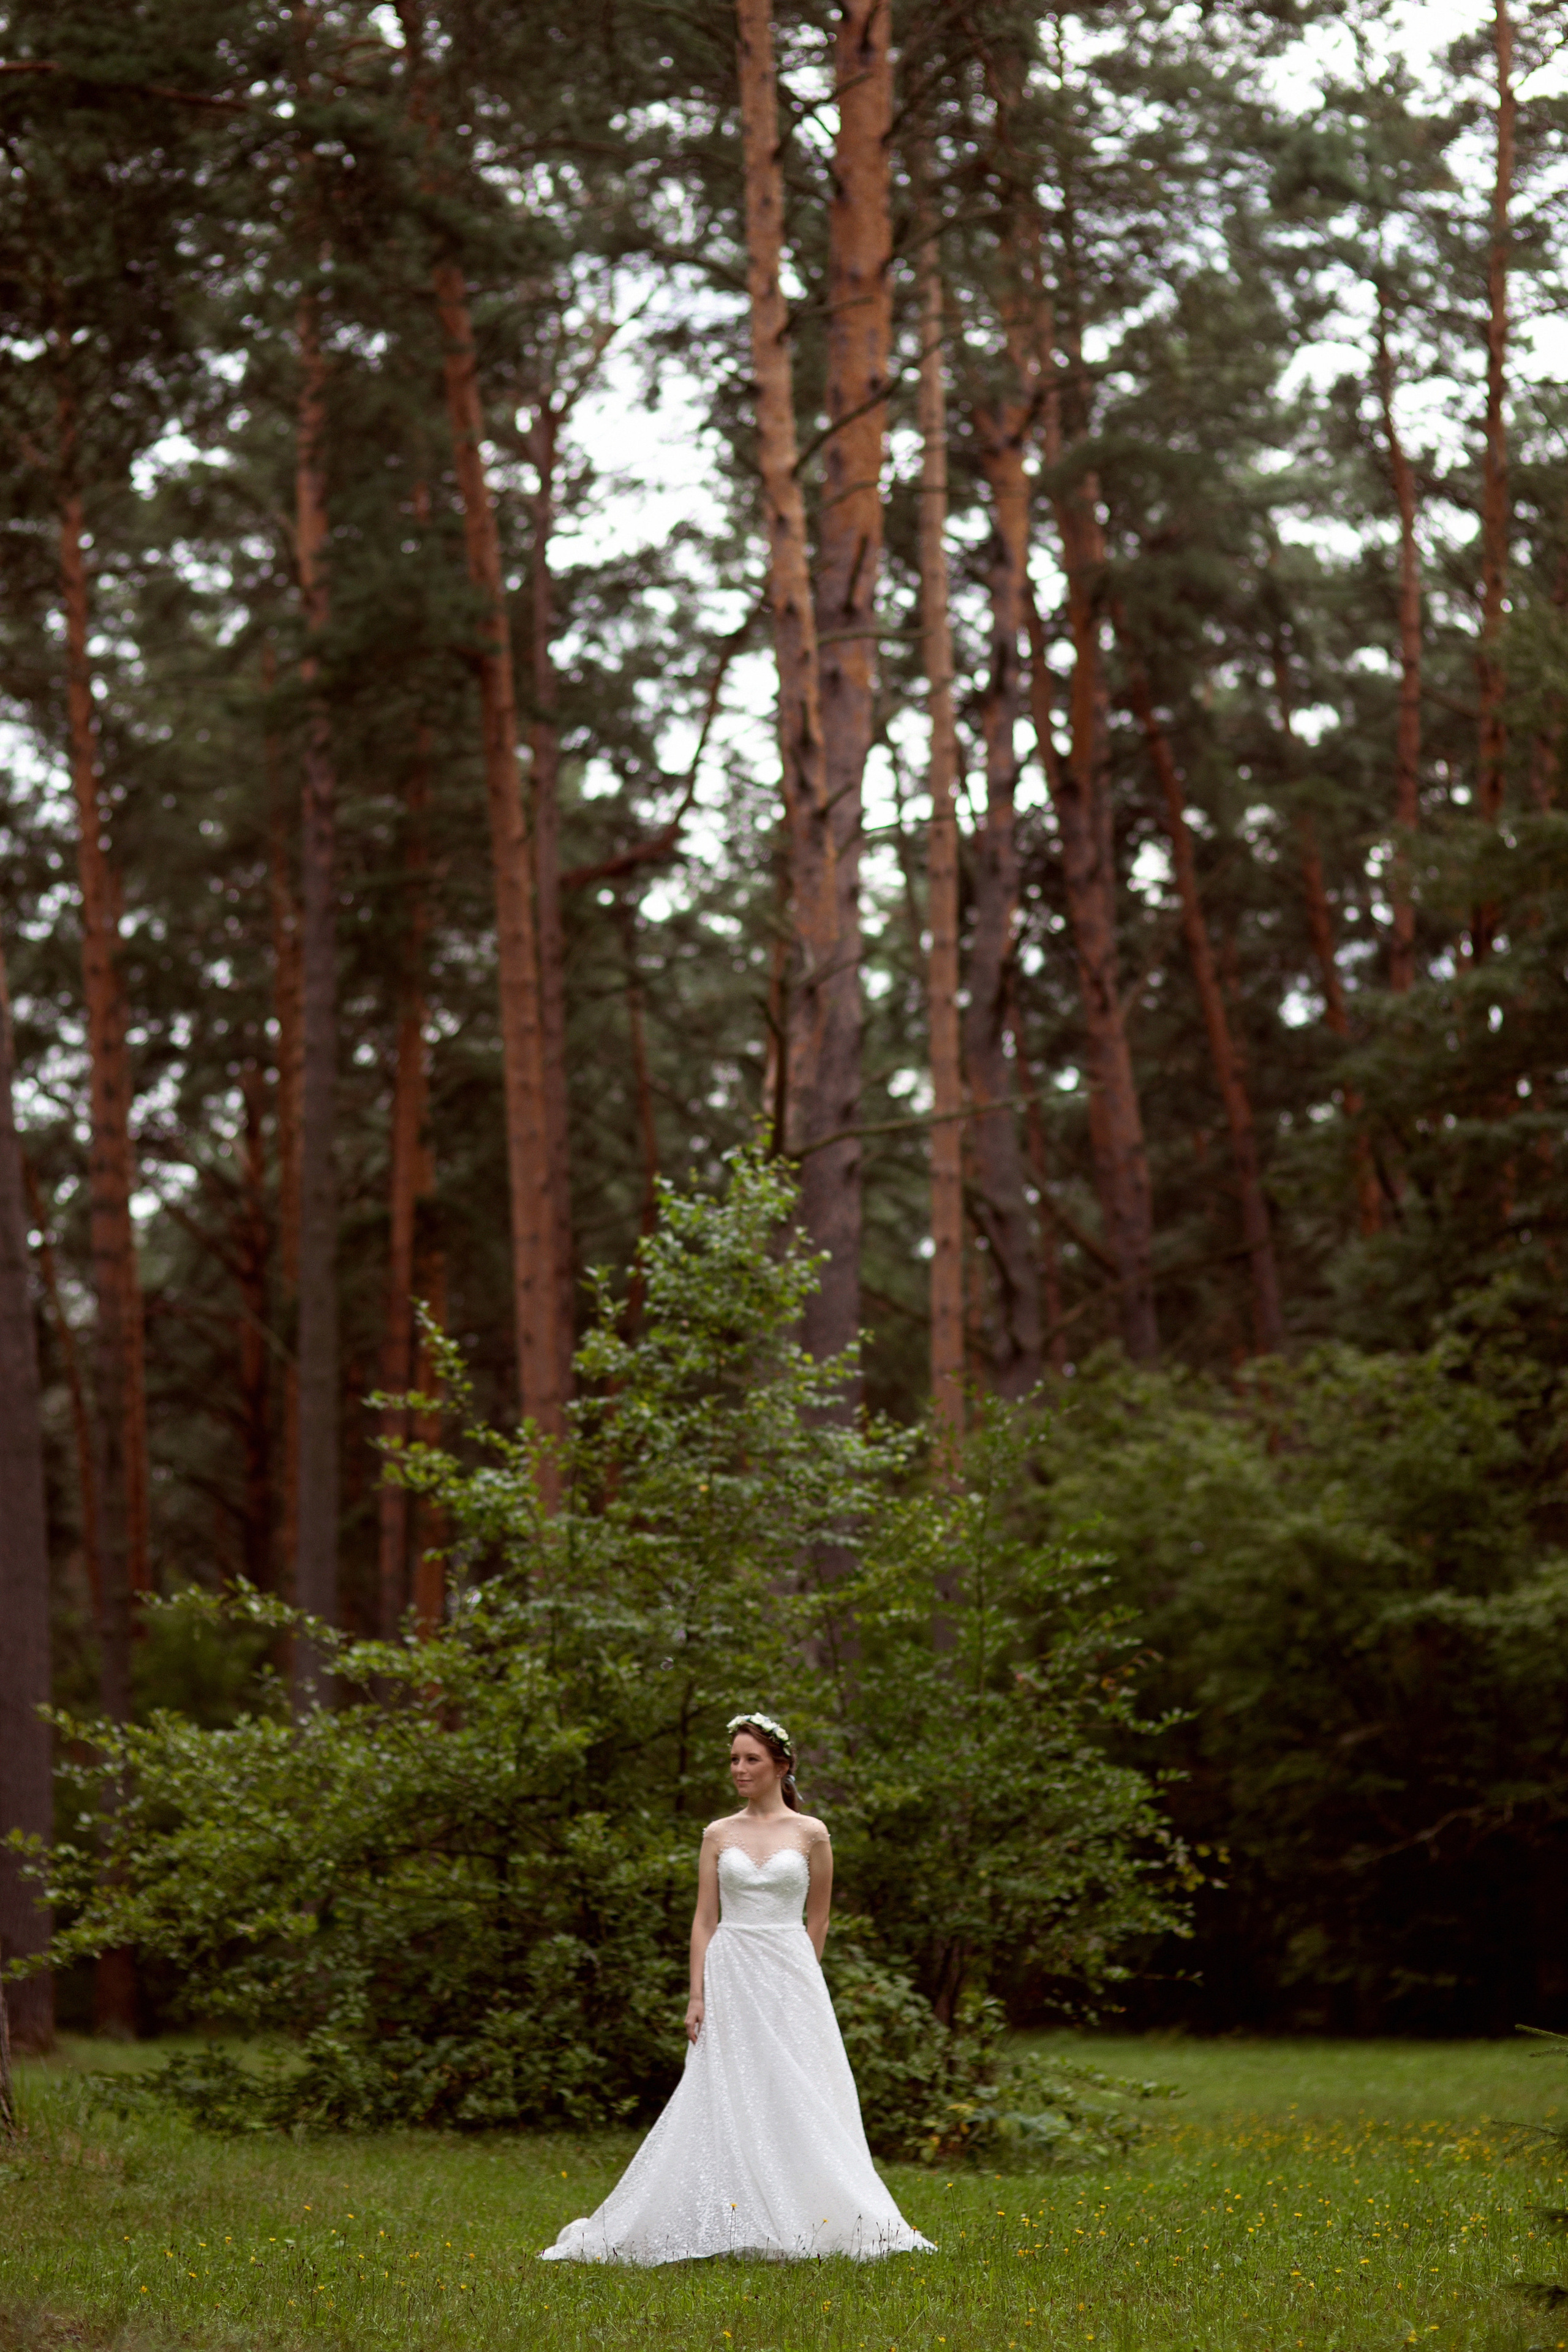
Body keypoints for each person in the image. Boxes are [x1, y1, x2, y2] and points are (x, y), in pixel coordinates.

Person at [540, 1710, 935, 2264]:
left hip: (789, 1968)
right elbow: (704, 1918)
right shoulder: (718, 1834)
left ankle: (812, 2215)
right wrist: (696, 1994)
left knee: (797, 2087)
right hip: (731, 1967)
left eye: (751, 1760)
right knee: (727, 2086)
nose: (740, 1769)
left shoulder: (811, 1833)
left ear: (781, 1766)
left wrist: (803, 1978)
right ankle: (731, 2213)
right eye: (733, 1760)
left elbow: (817, 1919)